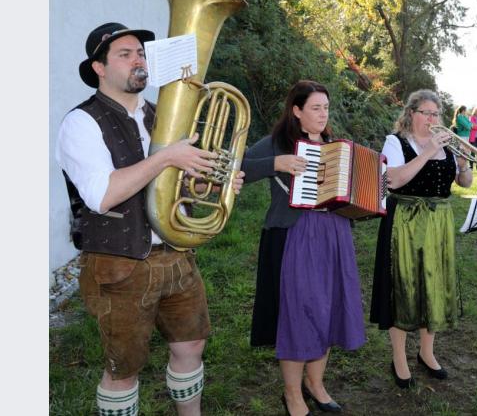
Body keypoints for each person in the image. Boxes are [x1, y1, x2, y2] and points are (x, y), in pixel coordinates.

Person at [56, 22, 244, 416]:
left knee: (190, 345)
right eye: (124, 55)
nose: (137, 60)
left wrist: (218, 184)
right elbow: (102, 194)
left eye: (140, 53)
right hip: (119, 265)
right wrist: (167, 156)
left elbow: (186, 187)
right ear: (99, 68)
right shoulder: (81, 122)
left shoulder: (165, 117)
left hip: (177, 256)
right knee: (123, 368)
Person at [241, 80, 366, 416]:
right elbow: (236, 166)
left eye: (326, 107)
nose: (323, 114)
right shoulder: (277, 143)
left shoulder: (336, 147)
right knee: (298, 314)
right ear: (297, 111)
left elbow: (354, 190)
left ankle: (316, 384)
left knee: (327, 309)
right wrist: (275, 164)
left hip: (334, 233)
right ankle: (292, 394)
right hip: (296, 235)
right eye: (315, 107)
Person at [369, 89, 473, 389]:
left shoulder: (447, 144)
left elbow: (464, 182)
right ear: (411, 114)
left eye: (436, 114)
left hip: (438, 222)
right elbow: (392, 180)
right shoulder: (397, 141)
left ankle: (427, 352)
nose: (431, 118)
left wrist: (463, 163)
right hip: (405, 220)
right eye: (425, 112)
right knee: (403, 287)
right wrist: (428, 151)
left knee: (434, 285)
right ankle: (399, 357)